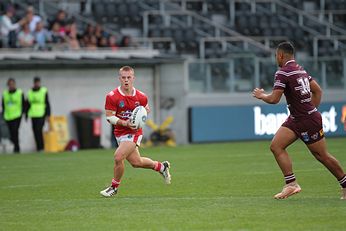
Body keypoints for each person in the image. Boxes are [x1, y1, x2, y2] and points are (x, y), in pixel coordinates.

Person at [252, 41, 346, 200]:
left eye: (276, 56)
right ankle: (291, 184)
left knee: (322, 156)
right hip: (297, 119)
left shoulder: (282, 72)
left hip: (306, 120)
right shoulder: (300, 70)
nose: (276, 59)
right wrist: (310, 108)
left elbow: (274, 99)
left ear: (281, 55)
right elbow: (317, 90)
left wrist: (262, 96)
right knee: (276, 146)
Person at [100, 66, 171, 197]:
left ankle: (114, 188)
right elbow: (109, 117)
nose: (126, 80)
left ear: (133, 78)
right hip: (120, 132)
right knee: (136, 162)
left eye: (129, 77)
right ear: (119, 78)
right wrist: (124, 122)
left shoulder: (141, 97)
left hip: (134, 133)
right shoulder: (112, 96)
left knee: (118, 157)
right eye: (123, 77)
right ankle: (161, 167)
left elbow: (146, 110)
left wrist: (140, 117)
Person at [26, 77, 51, 152]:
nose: (37, 84)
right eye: (35, 82)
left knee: (39, 129)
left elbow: (47, 103)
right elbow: (27, 104)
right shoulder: (30, 92)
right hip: (33, 114)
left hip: (41, 113)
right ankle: (38, 147)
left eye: (38, 82)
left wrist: (48, 114)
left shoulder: (44, 91)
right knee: (35, 131)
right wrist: (26, 114)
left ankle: (42, 147)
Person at [1, 78, 25, 153]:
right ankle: (16, 145)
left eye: (12, 84)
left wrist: (23, 113)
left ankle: (17, 148)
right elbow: (3, 105)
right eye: (10, 84)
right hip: (8, 116)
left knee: (15, 131)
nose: (11, 85)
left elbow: (23, 103)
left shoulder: (19, 92)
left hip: (17, 115)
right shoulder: (5, 94)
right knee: (11, 133)